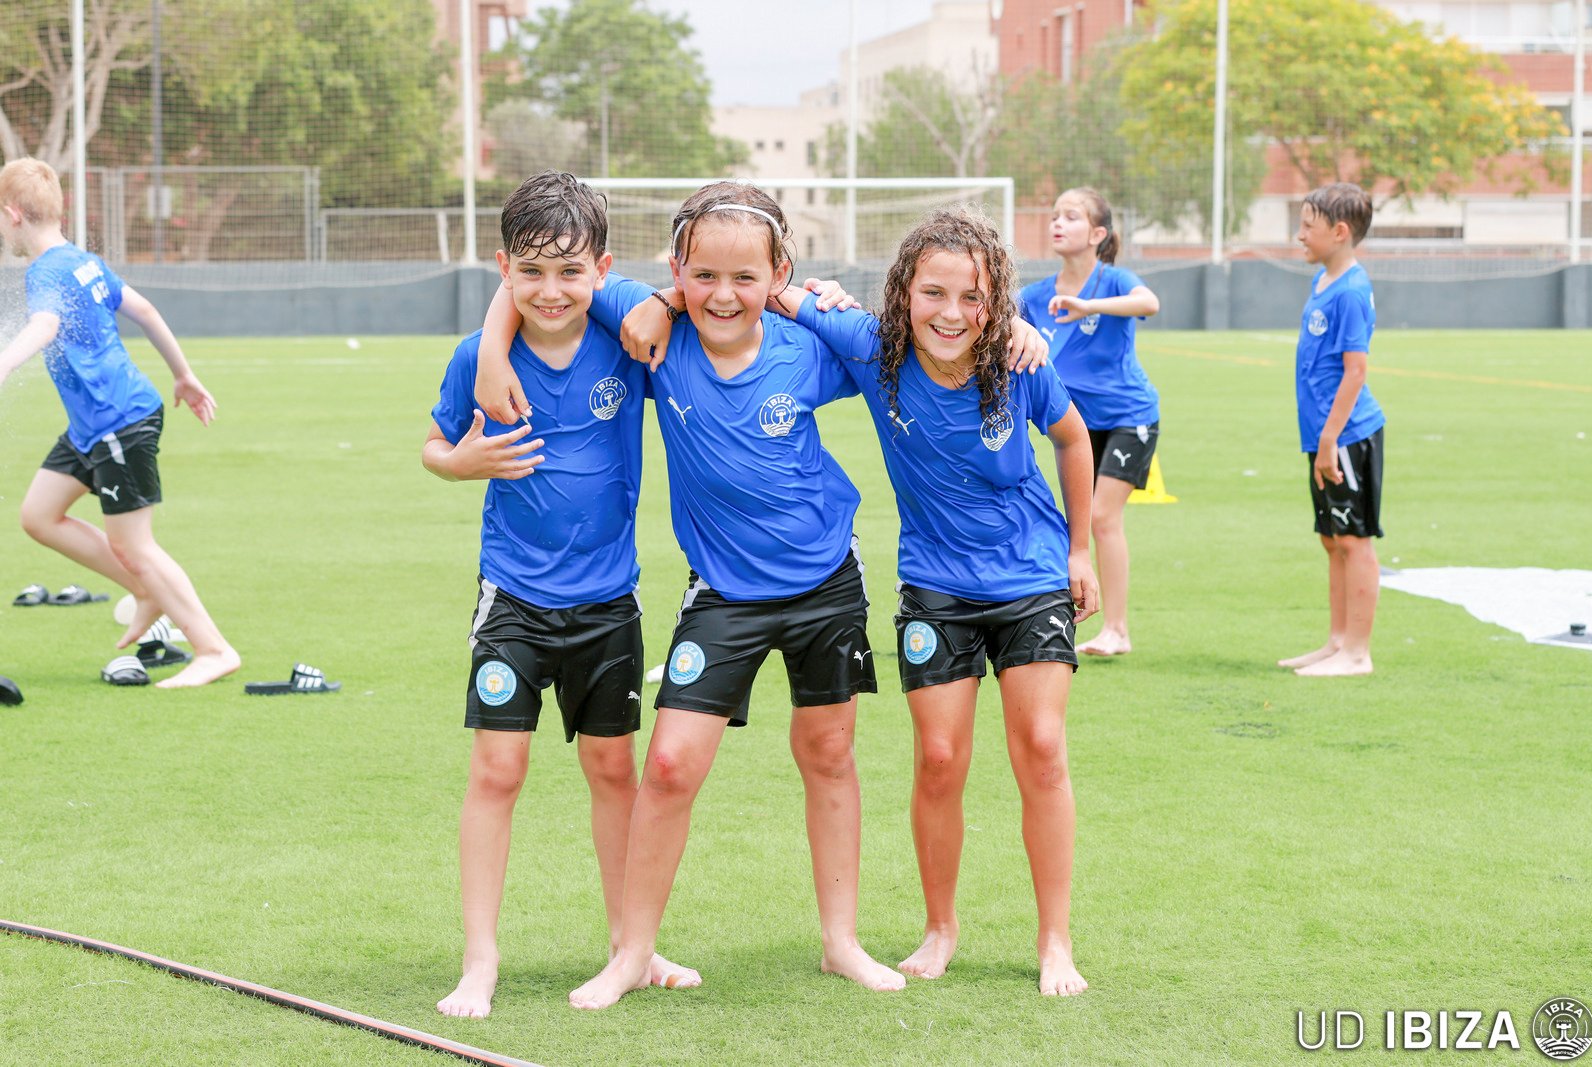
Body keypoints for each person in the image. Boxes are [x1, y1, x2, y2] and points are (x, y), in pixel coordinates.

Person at [473, 180, 903, 1010]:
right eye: (702, 276)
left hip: (825, 579)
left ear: (778, 273)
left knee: (828, 752)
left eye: (746, 278)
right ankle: (632, 951)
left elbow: (903, 347)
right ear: (676, 271)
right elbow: (542, 272)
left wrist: (815, 302)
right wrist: (498, 348)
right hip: (723, 592)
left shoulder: (808, 345)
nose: (723, 295)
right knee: (668, 764)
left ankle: (841, 940)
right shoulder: (651, 334)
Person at [768, 209, 1100, 996]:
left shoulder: (1018, 359)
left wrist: (1080, 548)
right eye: (933, 293)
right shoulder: (871, 346)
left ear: (996, 302)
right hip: (936, 583)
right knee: (940, 759)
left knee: (1042, 747)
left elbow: (1073, 438)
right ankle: (940, 927)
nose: (952, 313)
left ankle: (1055, 939)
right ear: (903, 293)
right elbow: (774, 291)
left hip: (1030, 576)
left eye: (973, 297)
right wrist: (816, 290)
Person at [423, 171, 698, 1019]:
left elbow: (679, 302)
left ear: (601, 269)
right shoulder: (476, 359)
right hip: (512, 595)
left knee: (613, 768)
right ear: (503, 267)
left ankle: (630, 944)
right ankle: (480, 957)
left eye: (571, 272)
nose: (550, 291)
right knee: (497, 770)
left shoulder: (626, 338)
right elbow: (434, 445)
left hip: (609, 600)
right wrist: (461, 462)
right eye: (531, 272)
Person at [0, 157, 238, 689]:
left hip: (119, 421)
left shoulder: (46, 272)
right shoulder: (84, 262)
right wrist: (183, 375)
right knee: (39, 515)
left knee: (135, 545)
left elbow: (44, 324)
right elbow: (146, 311)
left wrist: (5, 362)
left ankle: (213, 648)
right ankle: (147, 591)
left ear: (13, 214)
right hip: (94, 425)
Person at [1018, 187, 1160, 657]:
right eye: (1055, 215)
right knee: (1075, 522)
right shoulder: (1036, 295)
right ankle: (1069, 614)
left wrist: (1088, 306)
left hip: (1129, 417)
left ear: (1098, 234)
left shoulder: (1114, 280)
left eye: (1072, 216)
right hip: (1076, 430)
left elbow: (1149, 303)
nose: (1057, 223)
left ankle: (1117, 629)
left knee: (1101, 517)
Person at [1277, 182, 1385, 677]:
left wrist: (1329, 439)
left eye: (1308, 226)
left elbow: (1355, 371)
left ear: (1340, 232)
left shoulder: (1352, 291)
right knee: (1332, 537)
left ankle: (1357, 653)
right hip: (1323, 435)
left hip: (1345, 436)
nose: (1299, 235)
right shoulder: (1323, 281)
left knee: (1354, 539)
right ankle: (1337, 642)